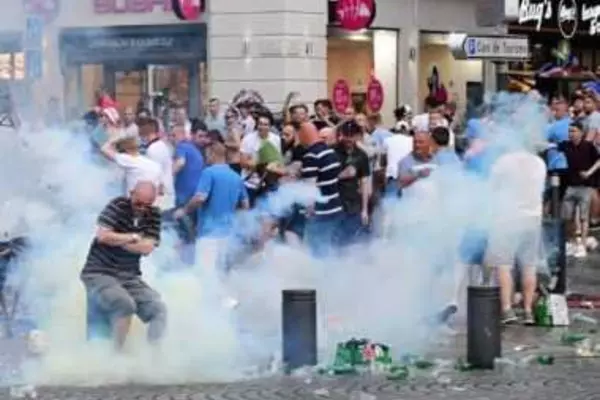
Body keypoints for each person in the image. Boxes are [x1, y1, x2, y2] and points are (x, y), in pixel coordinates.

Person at [80, 181, 166, 350]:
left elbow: (147, 248)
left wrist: (117, 240)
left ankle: (154, 356)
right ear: (131, 194)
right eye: (138, 203)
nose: (142, 209)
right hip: (99, 272)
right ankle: (117, 356)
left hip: (128, 275)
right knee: (124, 304)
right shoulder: (118, 206)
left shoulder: (154, 214)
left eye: (147, 205)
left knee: (158, 309)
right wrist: (132, 238)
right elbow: (102, 236)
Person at [485, 148, 546, 325]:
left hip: (507, 218)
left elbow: (491, 189)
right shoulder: (539, 163)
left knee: (503, 265)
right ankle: (527, 311)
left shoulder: (503, 161)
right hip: (533, 218)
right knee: (529, 266)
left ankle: (507, 309)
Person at [298, 122, 343, 257]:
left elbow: (310, 188)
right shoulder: (330, 152)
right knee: (331, 247)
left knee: (317, 250)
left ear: (304, 135)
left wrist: (309, 210)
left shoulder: (311, 156)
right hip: (335, 207)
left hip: (320, 212)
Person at [558, 121, 600, 258]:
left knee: (583, 217)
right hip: (569, 186)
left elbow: (598, 160)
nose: (571, 133)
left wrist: (589, 172)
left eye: (574, 131)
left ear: (581, 132)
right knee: (567, 217)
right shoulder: (565, 145)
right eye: (569, 131)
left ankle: (582, 244)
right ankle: (572, 243)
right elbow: (550, 146)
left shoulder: (588, 146)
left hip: (585, 186)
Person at [335, 121, 371, 246]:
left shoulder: (362, 155)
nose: (349, 138)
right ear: (341, 134)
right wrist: (340, 176)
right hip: (335, 201)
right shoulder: (332, 152)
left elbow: (364, 182)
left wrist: (364, 210)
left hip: (353, 202)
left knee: (351, 238)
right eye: (346, 134)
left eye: (352, 135)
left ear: (358, 136)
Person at [138, 118, 174, 211]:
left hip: (160, 200)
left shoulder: (153, 150)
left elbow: (155, 177)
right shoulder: (161, 145)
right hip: (165, 197)